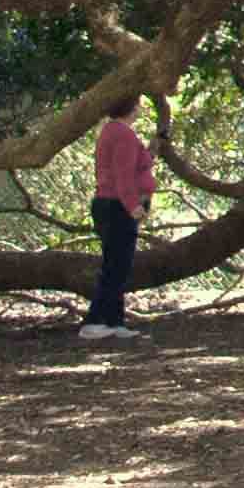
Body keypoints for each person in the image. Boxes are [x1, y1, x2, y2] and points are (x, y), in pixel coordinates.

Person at [83, 107, 154, 339]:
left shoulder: (112, 131)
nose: (141, 109)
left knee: (118, 265)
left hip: (111, 204)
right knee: (115, 265)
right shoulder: (122, 134)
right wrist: (133, 206)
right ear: (131, 107)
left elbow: (134, 168)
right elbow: (123, 175)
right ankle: (94, 320)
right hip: (117, 206)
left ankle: (114, 321)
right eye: (138, 104)